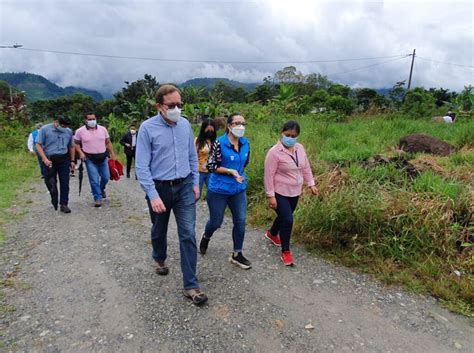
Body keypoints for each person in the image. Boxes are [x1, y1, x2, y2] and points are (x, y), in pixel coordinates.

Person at [135, 84, 207, 306]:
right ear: (159, 106)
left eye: (180, 105)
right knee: (159, 228)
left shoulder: (185, 125)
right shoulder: (147, 128)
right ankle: (159, 257)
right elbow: (141, 166)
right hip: (160, 188)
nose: (177, 109)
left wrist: (195, 182)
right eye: (171, 105)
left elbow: (192, 157)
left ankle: (191, 285)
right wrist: (153, 195)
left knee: (187, 234)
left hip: (185, 185)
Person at [199, 113, 252, 270]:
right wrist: (230, 171)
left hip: (238, 189)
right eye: (237, 123)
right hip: (219, 189)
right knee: (216, 222)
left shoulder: (246, 143)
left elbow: (245, 162)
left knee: (240, 221)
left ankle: (237, 254)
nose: (240, 126)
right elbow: (211, 166)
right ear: (229, 126)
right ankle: (206, 236)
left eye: (243, 123)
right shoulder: (218, 143)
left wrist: (238, 173)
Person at [263, 120, 319, 266]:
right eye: (287, 134)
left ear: (297, 136)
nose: (289, 138)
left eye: (293, 136)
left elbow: (305, 167)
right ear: (282, 133)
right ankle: (286, 252)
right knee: (288, 219)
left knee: (284, 216)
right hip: (279, 191)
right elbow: (268, 175)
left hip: (295, 191)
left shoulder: (300, 148)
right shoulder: (274, 152)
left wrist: (311, 183)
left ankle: (272, 234)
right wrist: (270, 196)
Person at [74, 113, 117, 207]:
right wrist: (81, 153)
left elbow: (108, 142)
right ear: (85, 120)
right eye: (90, 119)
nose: (92, 121)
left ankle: (101, 189)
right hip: (89, 158)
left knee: (106, 177)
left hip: (102, 157)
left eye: (94, 118)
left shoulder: (103, 129)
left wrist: (112, 154)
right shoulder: (80, 131)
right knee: (94, 179)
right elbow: (76, 144)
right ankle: (97, 197)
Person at [35, 116, 75, 213]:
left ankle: (64, 203)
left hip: (63, 159)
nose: (64, 128)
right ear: (56, 122)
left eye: (65, 126)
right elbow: (38, 144)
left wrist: (72, 161)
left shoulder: (68, 131)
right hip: (49, 159)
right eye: (62, 125)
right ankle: (54, 196)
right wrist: (44, 159)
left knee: (65, 182)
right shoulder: (45, 129)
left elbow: (71, 146)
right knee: (50, 182)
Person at [195, 118, 217, 198]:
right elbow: (193, 156)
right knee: (196, 195)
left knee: (213, 193)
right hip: (199, 171)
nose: (210, 132)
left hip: (211, 171)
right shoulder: (198, 141)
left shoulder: (215, 141)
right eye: (208, 130)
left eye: (211, 130)